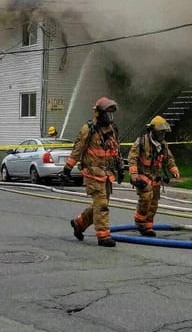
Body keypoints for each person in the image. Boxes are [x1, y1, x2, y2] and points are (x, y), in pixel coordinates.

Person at [63, 97, 122, 248]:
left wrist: (120, 168)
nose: (109, 118)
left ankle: (79, 223)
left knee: (100, 204)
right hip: (92, 173)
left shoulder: (112, 130)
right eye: (106, 114)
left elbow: (116, 151)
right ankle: (103, 237)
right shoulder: (88, 130)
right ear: (98, 114)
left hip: (106, 174)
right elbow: (77, 149)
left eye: (111, 114)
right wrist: (68, 168)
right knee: (101, 204)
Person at [127, 116, 182, 237]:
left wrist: (174, 169)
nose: (162, 135)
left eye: (164, 133)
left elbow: (169, 159)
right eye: (160, 132)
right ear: (153, 131)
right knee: (146, 197)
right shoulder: (141, 142)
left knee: (153, 203)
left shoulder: (163, 145)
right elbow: (132, 158)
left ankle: (147, 227)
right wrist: (134, 174)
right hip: (143, 175)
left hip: (156, 177)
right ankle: (140, 221)